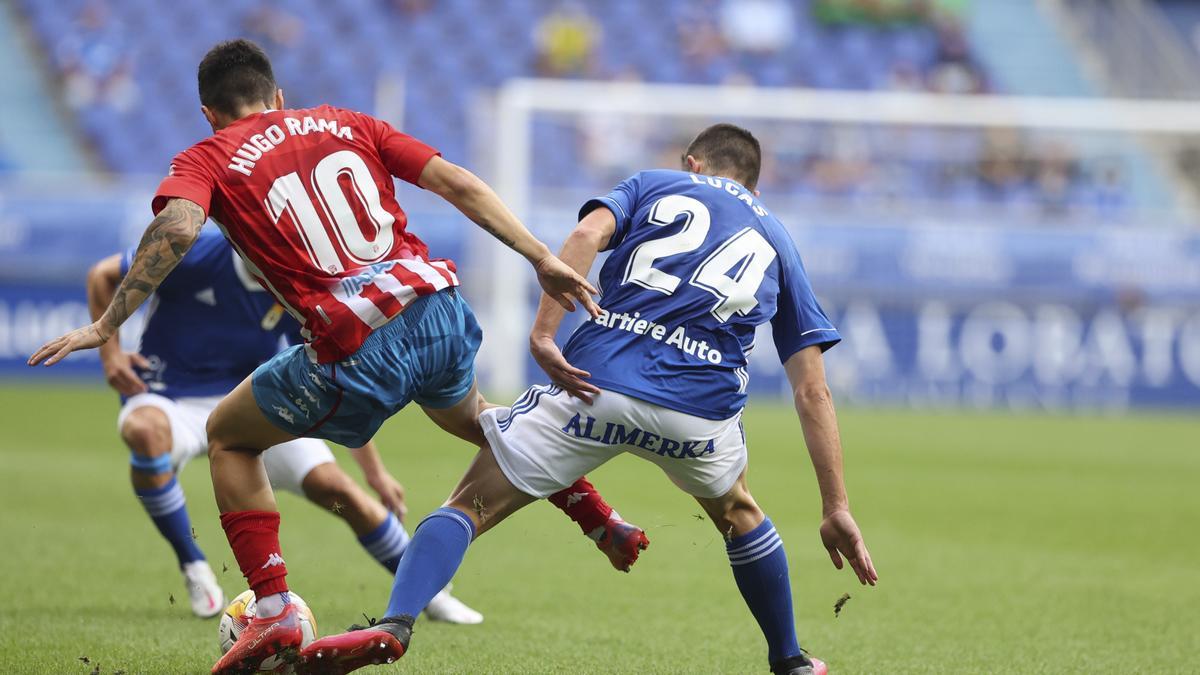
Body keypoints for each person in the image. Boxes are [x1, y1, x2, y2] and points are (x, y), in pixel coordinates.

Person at [28, 39, 645, 675]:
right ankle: (600, 518)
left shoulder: (206, 155)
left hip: (359, 340)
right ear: (278, 97)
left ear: (209, 113)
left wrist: (107, 325)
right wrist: (541, 257)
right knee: (481, 422)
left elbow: (180, 228)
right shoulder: (349, 123)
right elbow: (456, 182)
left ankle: (273, 609)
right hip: (438, 309)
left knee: (230, 437)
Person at [303, 124, 878, 675]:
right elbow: (811, 388)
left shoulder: (655, 182)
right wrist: (836, 505)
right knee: (739, 513)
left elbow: (583, 238)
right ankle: (791, 661)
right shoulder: (777, 236)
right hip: (697, 413)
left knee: (469, 505)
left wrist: (545, 335)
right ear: (753, 186)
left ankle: (397, 622)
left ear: (693, 164)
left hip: (594, 384)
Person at [89, 231, 480, 623]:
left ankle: (430, 596)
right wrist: (110, 355)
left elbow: (338, 379)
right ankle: (194, 566)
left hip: (246, 404)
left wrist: (374, 472)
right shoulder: (195, 254)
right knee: (144, 431)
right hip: (169, 395)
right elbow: (102, 275)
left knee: (339, 491)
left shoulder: (293, 280)